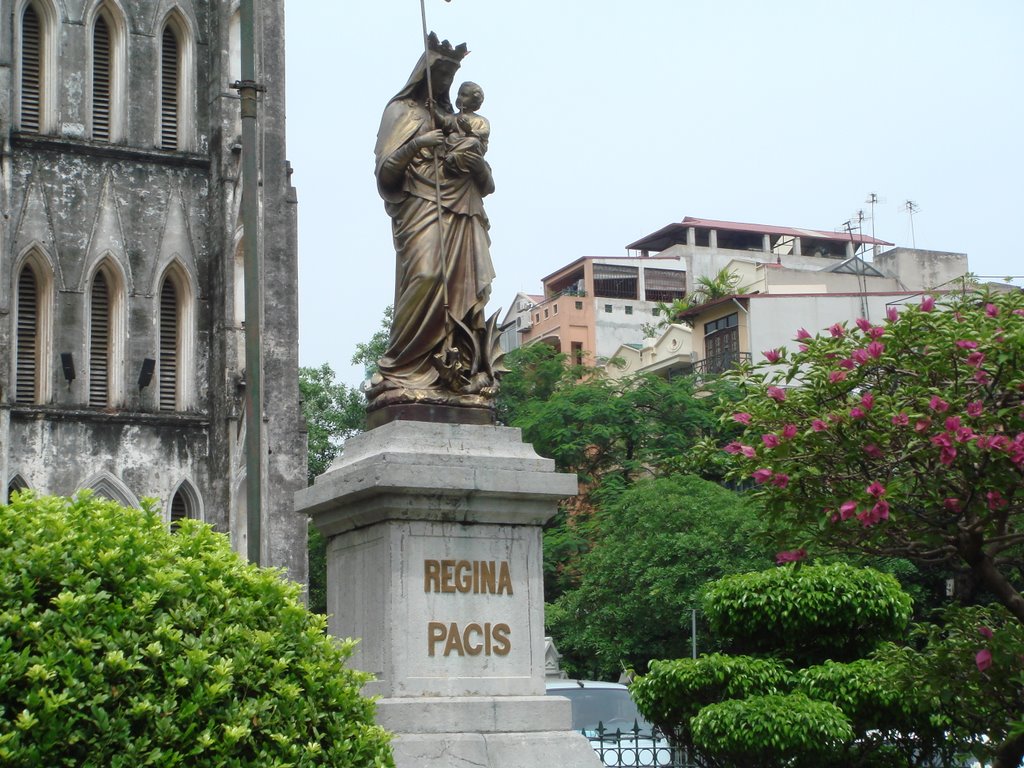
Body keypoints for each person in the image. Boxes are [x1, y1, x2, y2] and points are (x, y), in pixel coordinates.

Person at [369, 35, 499, 406]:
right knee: (428, 276)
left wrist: (475, 165)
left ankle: (452, 371)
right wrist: (416, 144)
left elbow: (486, 182)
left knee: (461, 288)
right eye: (440, 72)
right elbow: (386, 174)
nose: (445, 82)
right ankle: (399, 366)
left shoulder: (462, 123)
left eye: (451, 75)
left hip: (462, 212)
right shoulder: (400, 112)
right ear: (424, 72)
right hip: (421, 206)